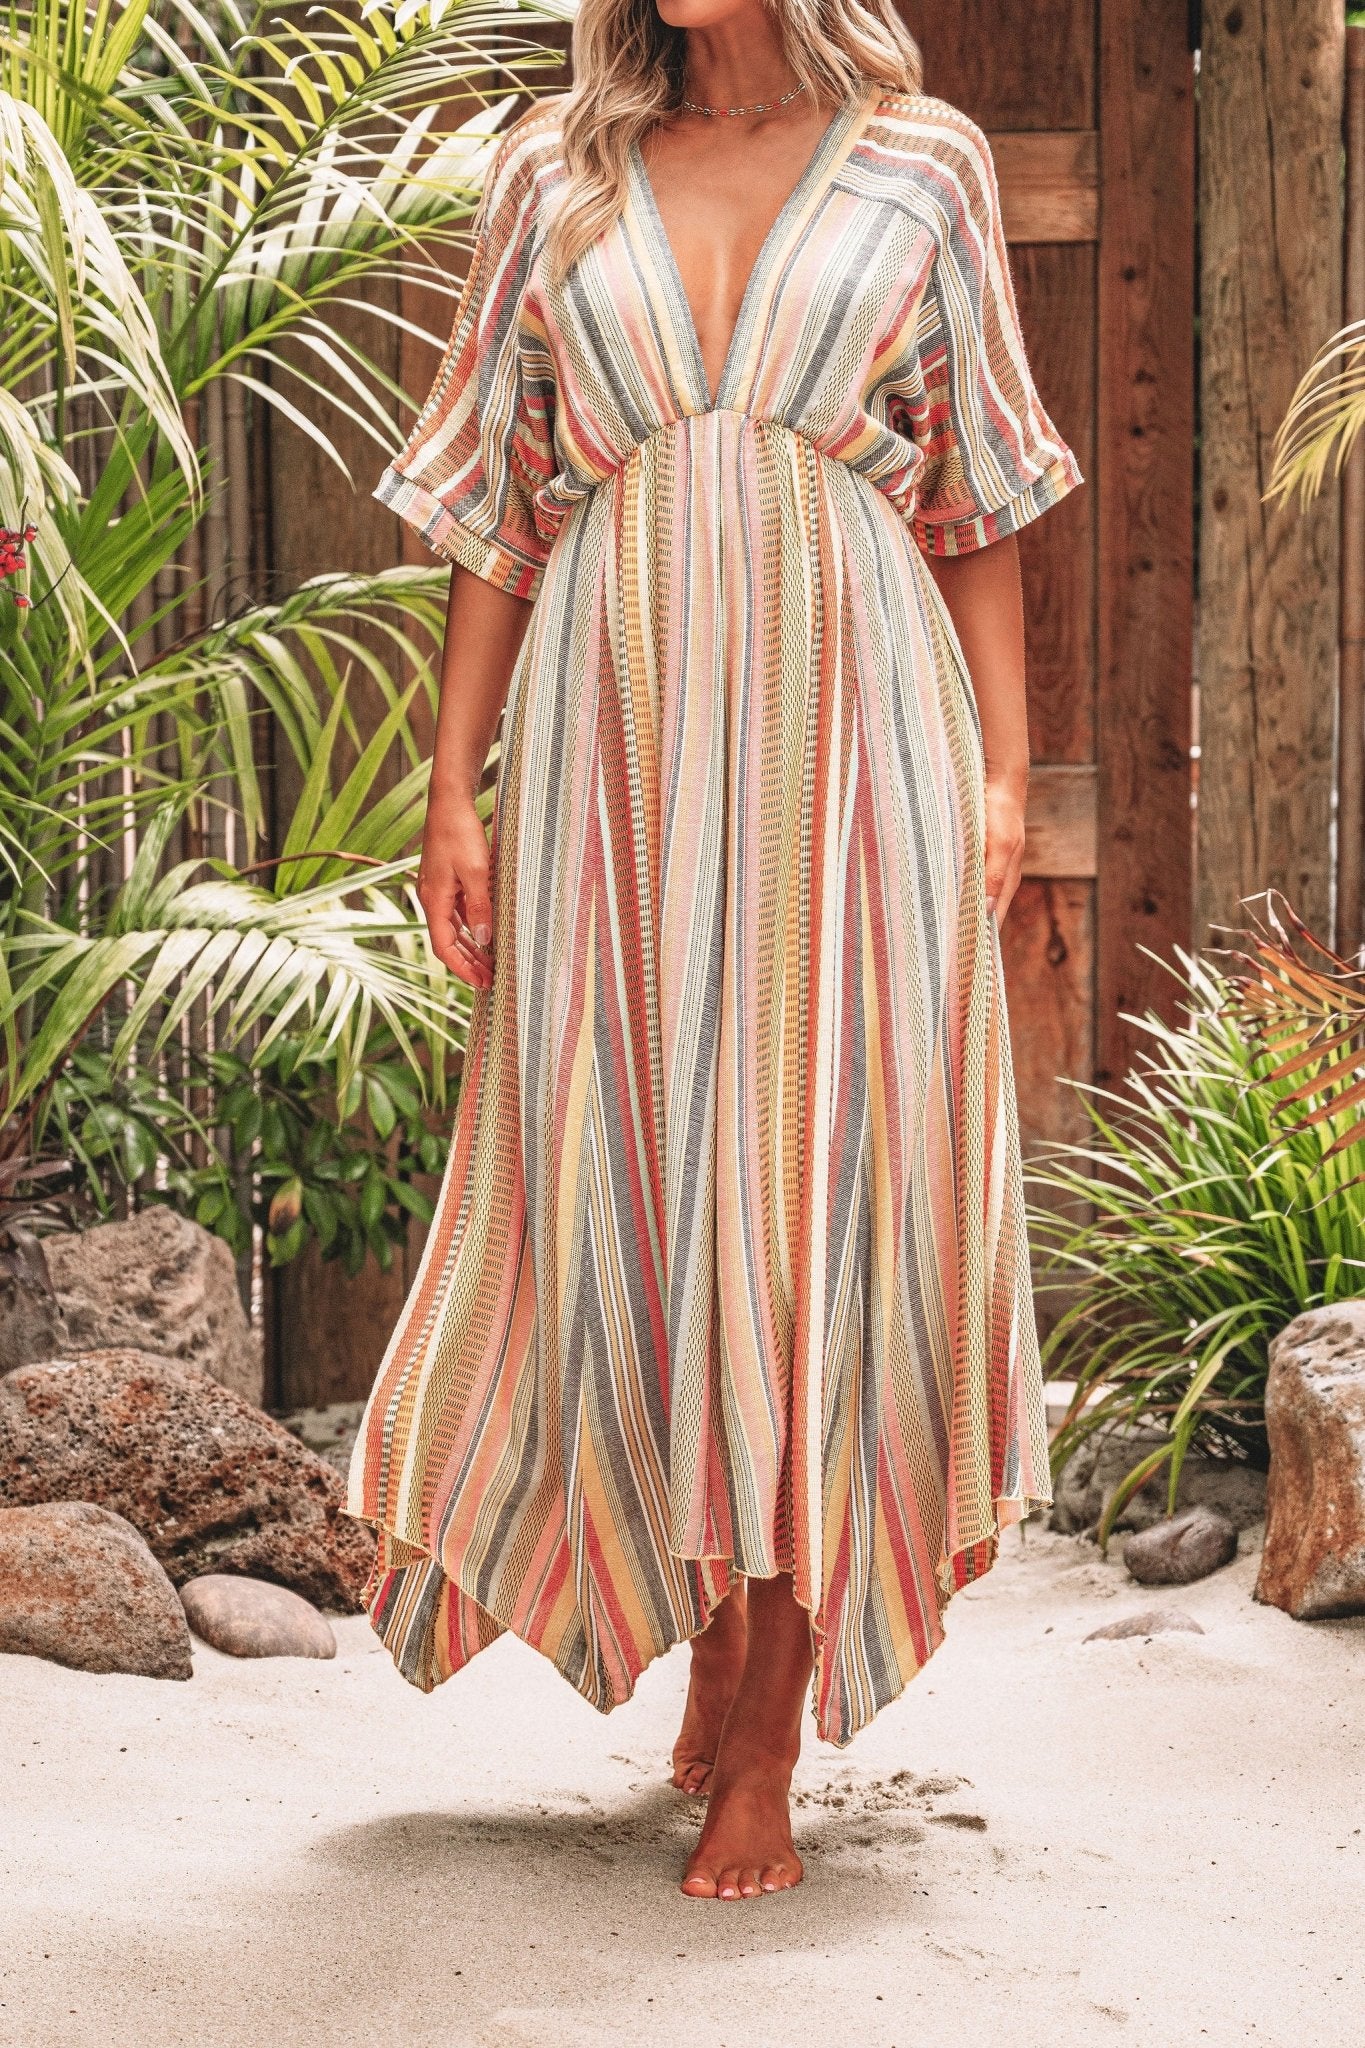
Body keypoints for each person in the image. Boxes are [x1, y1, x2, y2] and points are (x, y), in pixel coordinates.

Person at [348, 0, 1082, 1902]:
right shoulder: (552, 170)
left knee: (816, 1173)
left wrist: (1002, 779)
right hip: (616, 732)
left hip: (860, 727)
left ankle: (767, 1700)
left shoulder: (927, 163)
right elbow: (497, 513)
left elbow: (978, 492)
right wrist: (454, 790)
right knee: (628, 1167)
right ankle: (699, 1586)